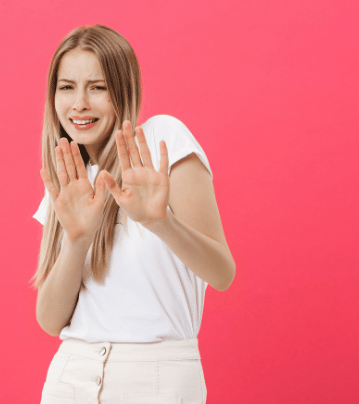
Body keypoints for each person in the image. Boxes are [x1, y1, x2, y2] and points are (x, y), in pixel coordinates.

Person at [32, 25, 236, 404]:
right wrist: (77, 239)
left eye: (98, 87)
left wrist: (161, 223)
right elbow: (50, 320)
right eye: (66, 87)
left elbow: (222, 273)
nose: (79, 103)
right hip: (70, 376)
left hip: (157, 380)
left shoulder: (161, 140)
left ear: (123, 91)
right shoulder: (71, 179)